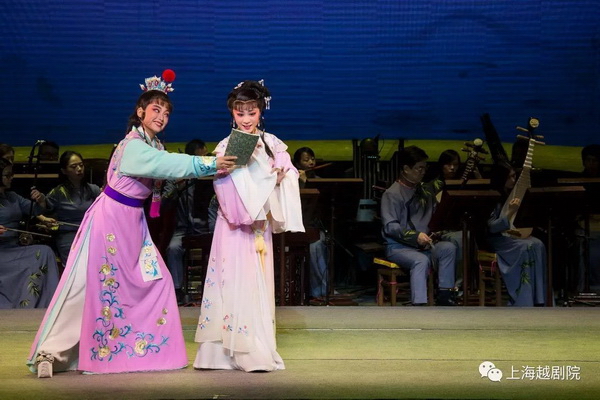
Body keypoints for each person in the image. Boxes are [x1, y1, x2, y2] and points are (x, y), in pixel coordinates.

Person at [27, 70, 237, 378]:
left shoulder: (154, 145)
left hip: (133, 224)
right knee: (88, 286)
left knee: (157, 281)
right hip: (110, 221)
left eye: (166, 113)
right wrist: (206, 164)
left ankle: (142, 350)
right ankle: (51, 352)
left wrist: (216, 169)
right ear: (140, 112)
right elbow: (167, 165)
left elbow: (167, 171)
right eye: (155, 110)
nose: (161, 117)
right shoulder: (133, 146)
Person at [193, 80, 304, 372]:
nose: (245, 119)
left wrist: (282, 172)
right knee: (231, 283)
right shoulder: (226, 146)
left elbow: (289, 170)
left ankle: (255, 347)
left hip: (258, 226)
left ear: (261, 112)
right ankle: (221, 354)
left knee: (257, 285)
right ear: (232, 112)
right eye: (239, 112)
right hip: (234, 226)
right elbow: (224, 186)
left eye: (251, 113)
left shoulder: (272, 144)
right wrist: (263, 182)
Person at [380, 145, 458, 306]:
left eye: (425, 168)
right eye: (419, 168)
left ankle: (445, 295)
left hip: (426, 245)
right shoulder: (392, 194)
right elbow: (390, 227)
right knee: (420, 260)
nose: (423, 172)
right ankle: (419, 304)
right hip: (399, 248)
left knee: (448, 248)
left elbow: (435, 217)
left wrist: (437, 230)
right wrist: (416, 236)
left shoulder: (425, 190)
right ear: (406, 169)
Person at [0, 157, 60, 309]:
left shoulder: (12, 197)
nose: (11, 177)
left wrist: (41, 200)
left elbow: (35, 209)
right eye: (7, 175)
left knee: (44, 252)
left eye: (11, 174)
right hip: (1, 252)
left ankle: (46, 305)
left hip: (14, 248)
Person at [486, 161, 546, 306]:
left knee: (538, 244)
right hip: (496, 240)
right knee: (526, 247)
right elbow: (492, 227)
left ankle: (540, 298)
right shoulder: (492, 196)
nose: (513, 180)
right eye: (510, 177)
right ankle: (523, 299)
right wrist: (511, 211)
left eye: (514, 176)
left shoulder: (511, 194)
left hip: (509, 235)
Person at [163, 139, 211, 303]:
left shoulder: (210, 178)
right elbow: (164, 201)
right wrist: (177, 187)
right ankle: (177, 290)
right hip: (182, 229)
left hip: (205, 227)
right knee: (173, 248)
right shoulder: (179, 178)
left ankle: (212, 289)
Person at [38, 151, 102, 265]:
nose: (79, 169)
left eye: (81, 165)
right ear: (64, 171)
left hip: (91, 233)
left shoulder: (94, 189)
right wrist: (44, 218)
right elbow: (38, 211)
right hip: (68, 236)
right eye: (73, 166)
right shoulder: (58, 192)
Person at [293, 146, 328, 300]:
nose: (311, 163)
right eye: (306, 160)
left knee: (317, 244)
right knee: (315, 245)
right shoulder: (290, 180)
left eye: (312, 159)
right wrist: (301, 183)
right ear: (297, 163)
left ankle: (323, 291)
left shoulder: (319, 181)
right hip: (295, 228)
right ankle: (316, 291)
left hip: (314, 227)